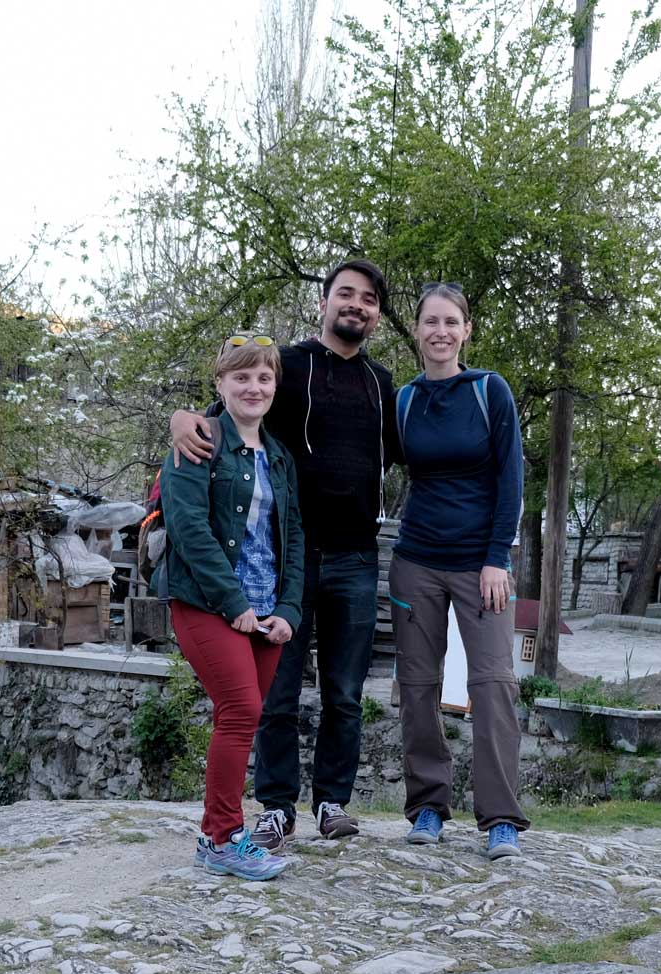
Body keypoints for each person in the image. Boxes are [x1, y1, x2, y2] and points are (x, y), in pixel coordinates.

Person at [169, 261, 399, 851]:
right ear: (323, 302)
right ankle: (275, 807)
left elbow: (408, 452)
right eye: (345, 294)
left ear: (376, 313)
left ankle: (331, 802)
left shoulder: (382, 383)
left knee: (345, 693)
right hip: (284, 557)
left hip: (354, 556)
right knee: (276, 694)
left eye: (368, 299)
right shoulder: (290, 365)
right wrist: (182, 418)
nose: (356, 305)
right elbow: (233, 397)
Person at [389, 283, 527, 860]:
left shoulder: (488, 391)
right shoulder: (403, 401)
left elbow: (512, 476)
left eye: (451, 322)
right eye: (430, 322)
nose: (440, 332)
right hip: (415, 561)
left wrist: (497, 557)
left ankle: (500, 818)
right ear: (416, 330)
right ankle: (427, 807)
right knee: (418, 687)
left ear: (466, 330)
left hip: (481, 566)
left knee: (491, 684)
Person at [160, 334, 303, 881]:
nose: (254, 387)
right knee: (242, 708)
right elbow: (189, 530)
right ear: (220, 383)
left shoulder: (281, 456)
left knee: (241, 717)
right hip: (205, 601)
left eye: (263, 377)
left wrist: (288, 609)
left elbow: (292, 537)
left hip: (267, 610)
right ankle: (222, 837)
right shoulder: (198, 440)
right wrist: (233, 602)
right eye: (241, 376)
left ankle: (215, 834)